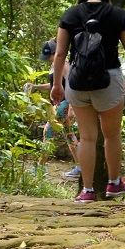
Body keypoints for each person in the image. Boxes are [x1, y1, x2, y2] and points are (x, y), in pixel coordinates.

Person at [50, 0, 125, 202]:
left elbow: (60, 53)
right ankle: (114, 183)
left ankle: (87, 191)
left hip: (77, 82)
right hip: (109, 81)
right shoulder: (118, 14)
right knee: (111, 135)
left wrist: (57, 85)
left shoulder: (70, 15)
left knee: (87, 137)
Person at [38, 39, 82, 178]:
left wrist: (71, 107)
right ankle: (81, 167)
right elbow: (54, 85)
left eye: (50, 56)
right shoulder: (55, 65)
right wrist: (35, 87)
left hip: (65, 103)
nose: (49, 59)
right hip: (60, 103)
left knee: (48, 130)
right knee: (69, 136)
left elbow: (71, 83)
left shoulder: (63, 64)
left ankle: (40, 168)